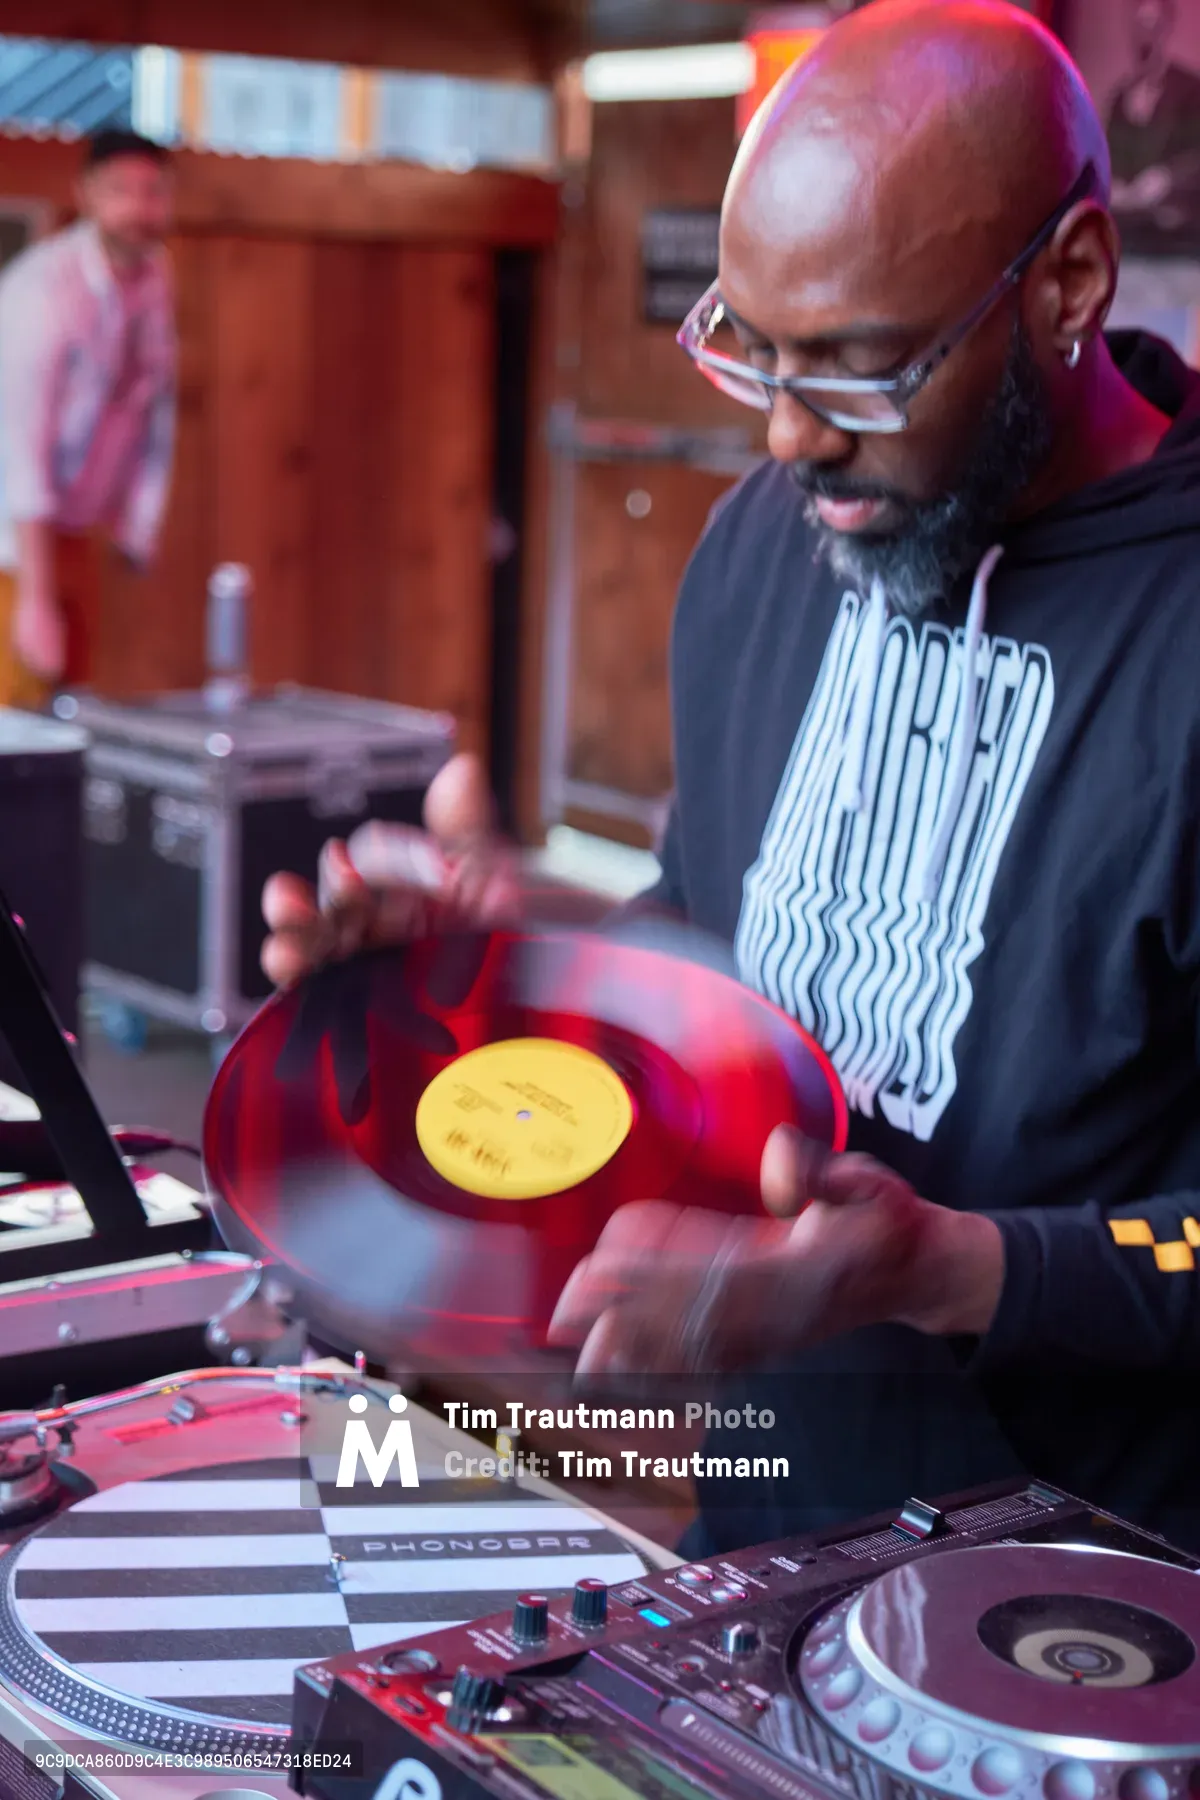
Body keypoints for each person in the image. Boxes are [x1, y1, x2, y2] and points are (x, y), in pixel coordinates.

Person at [262, 0, 1200, 1554]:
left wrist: (949, 1267)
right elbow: (726, 942)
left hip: (1098, 1623)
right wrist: (514, 954)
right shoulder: (771, 542)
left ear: (1070, 285)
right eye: (750, 350)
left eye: (857, 369)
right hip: (776, 1530)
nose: (785, 438)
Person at [0, 129, 176, 710]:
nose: (138, 209)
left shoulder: (154, 281)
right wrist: (35, 596)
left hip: (76, 532)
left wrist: (136, 523)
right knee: (15, 716)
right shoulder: (40, 289)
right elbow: (18, 444)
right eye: (120, 191)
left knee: (70, 713)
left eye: (152, 192)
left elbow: (152, 407)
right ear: (86, 195)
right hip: (13, 544)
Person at [1107, 0, 1200, 258]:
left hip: (1180, 238)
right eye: (1139, 28)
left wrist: (1166, 178)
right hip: (1129, 235)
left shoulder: (1191, 90)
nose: (1146, 37)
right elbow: (1110, 158)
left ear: (1166, 30)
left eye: (1154, 26)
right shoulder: (1119, 99)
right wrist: (1114, 185)